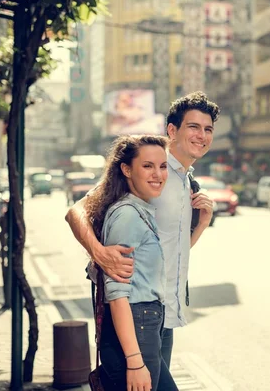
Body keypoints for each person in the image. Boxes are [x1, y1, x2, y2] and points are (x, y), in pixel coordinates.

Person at [66, 91, 218, 368]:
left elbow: (166, 250)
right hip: (137, 311)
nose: (202, 135)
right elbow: (76, 211)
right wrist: (99, 252)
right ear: (172, 130)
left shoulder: (186, 181)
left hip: (165, 311)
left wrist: (202, 225)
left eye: (208, 129)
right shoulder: (151, 173)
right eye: (193, 127)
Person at [86, 134, 177, 390]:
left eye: (162, 166)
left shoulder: (140, 209)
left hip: (146, 323)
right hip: (137, 324)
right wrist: (135, 362)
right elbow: (117, 295)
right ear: (126, 169)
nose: (157, 174)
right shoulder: (127, 215)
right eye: (147, 166)